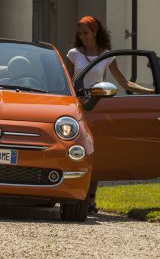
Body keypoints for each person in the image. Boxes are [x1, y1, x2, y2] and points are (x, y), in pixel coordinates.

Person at [65, 15, 154, 214]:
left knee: (95, 154)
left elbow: (125, 83)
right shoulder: (73, 54)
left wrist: (152, 91)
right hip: (77, 106)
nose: (82, 37)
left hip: (98, 106)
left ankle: (91, 200)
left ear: (95, 32)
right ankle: (72, 194)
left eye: (86, 33)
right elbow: (67, 81)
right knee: (76, 151)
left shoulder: (106, 56)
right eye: (79, 34)